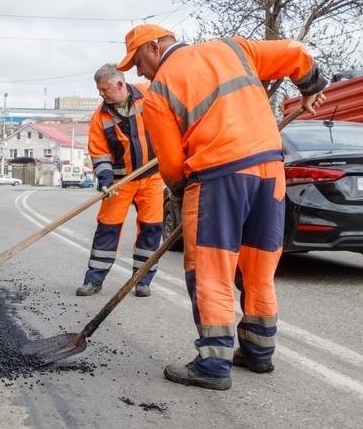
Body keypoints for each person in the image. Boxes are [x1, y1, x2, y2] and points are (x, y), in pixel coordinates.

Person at [117, 24, 326, 390]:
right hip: (270, 171)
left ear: (154, 47)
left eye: (138, 60)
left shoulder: (159, 91)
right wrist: (311, 87)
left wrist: (183, 191)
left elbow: (170, 163)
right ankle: (258, 353)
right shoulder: (233, 48)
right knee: (257, 266)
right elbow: (296, 53)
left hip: (217, 178)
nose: (138, 71)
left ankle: (213, 364)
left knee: (210, 271)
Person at [76, 64, 163, 298]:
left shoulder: (149, 94)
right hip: (119, 181)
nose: (101, 94)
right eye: (99, 90)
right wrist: (105, 180)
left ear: (120, 85)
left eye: (104, 89)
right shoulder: (100, 116)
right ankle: (94, 280)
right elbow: (99, 152)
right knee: (108, 228)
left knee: (151, 228)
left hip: (152, 176)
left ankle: (143, 280)